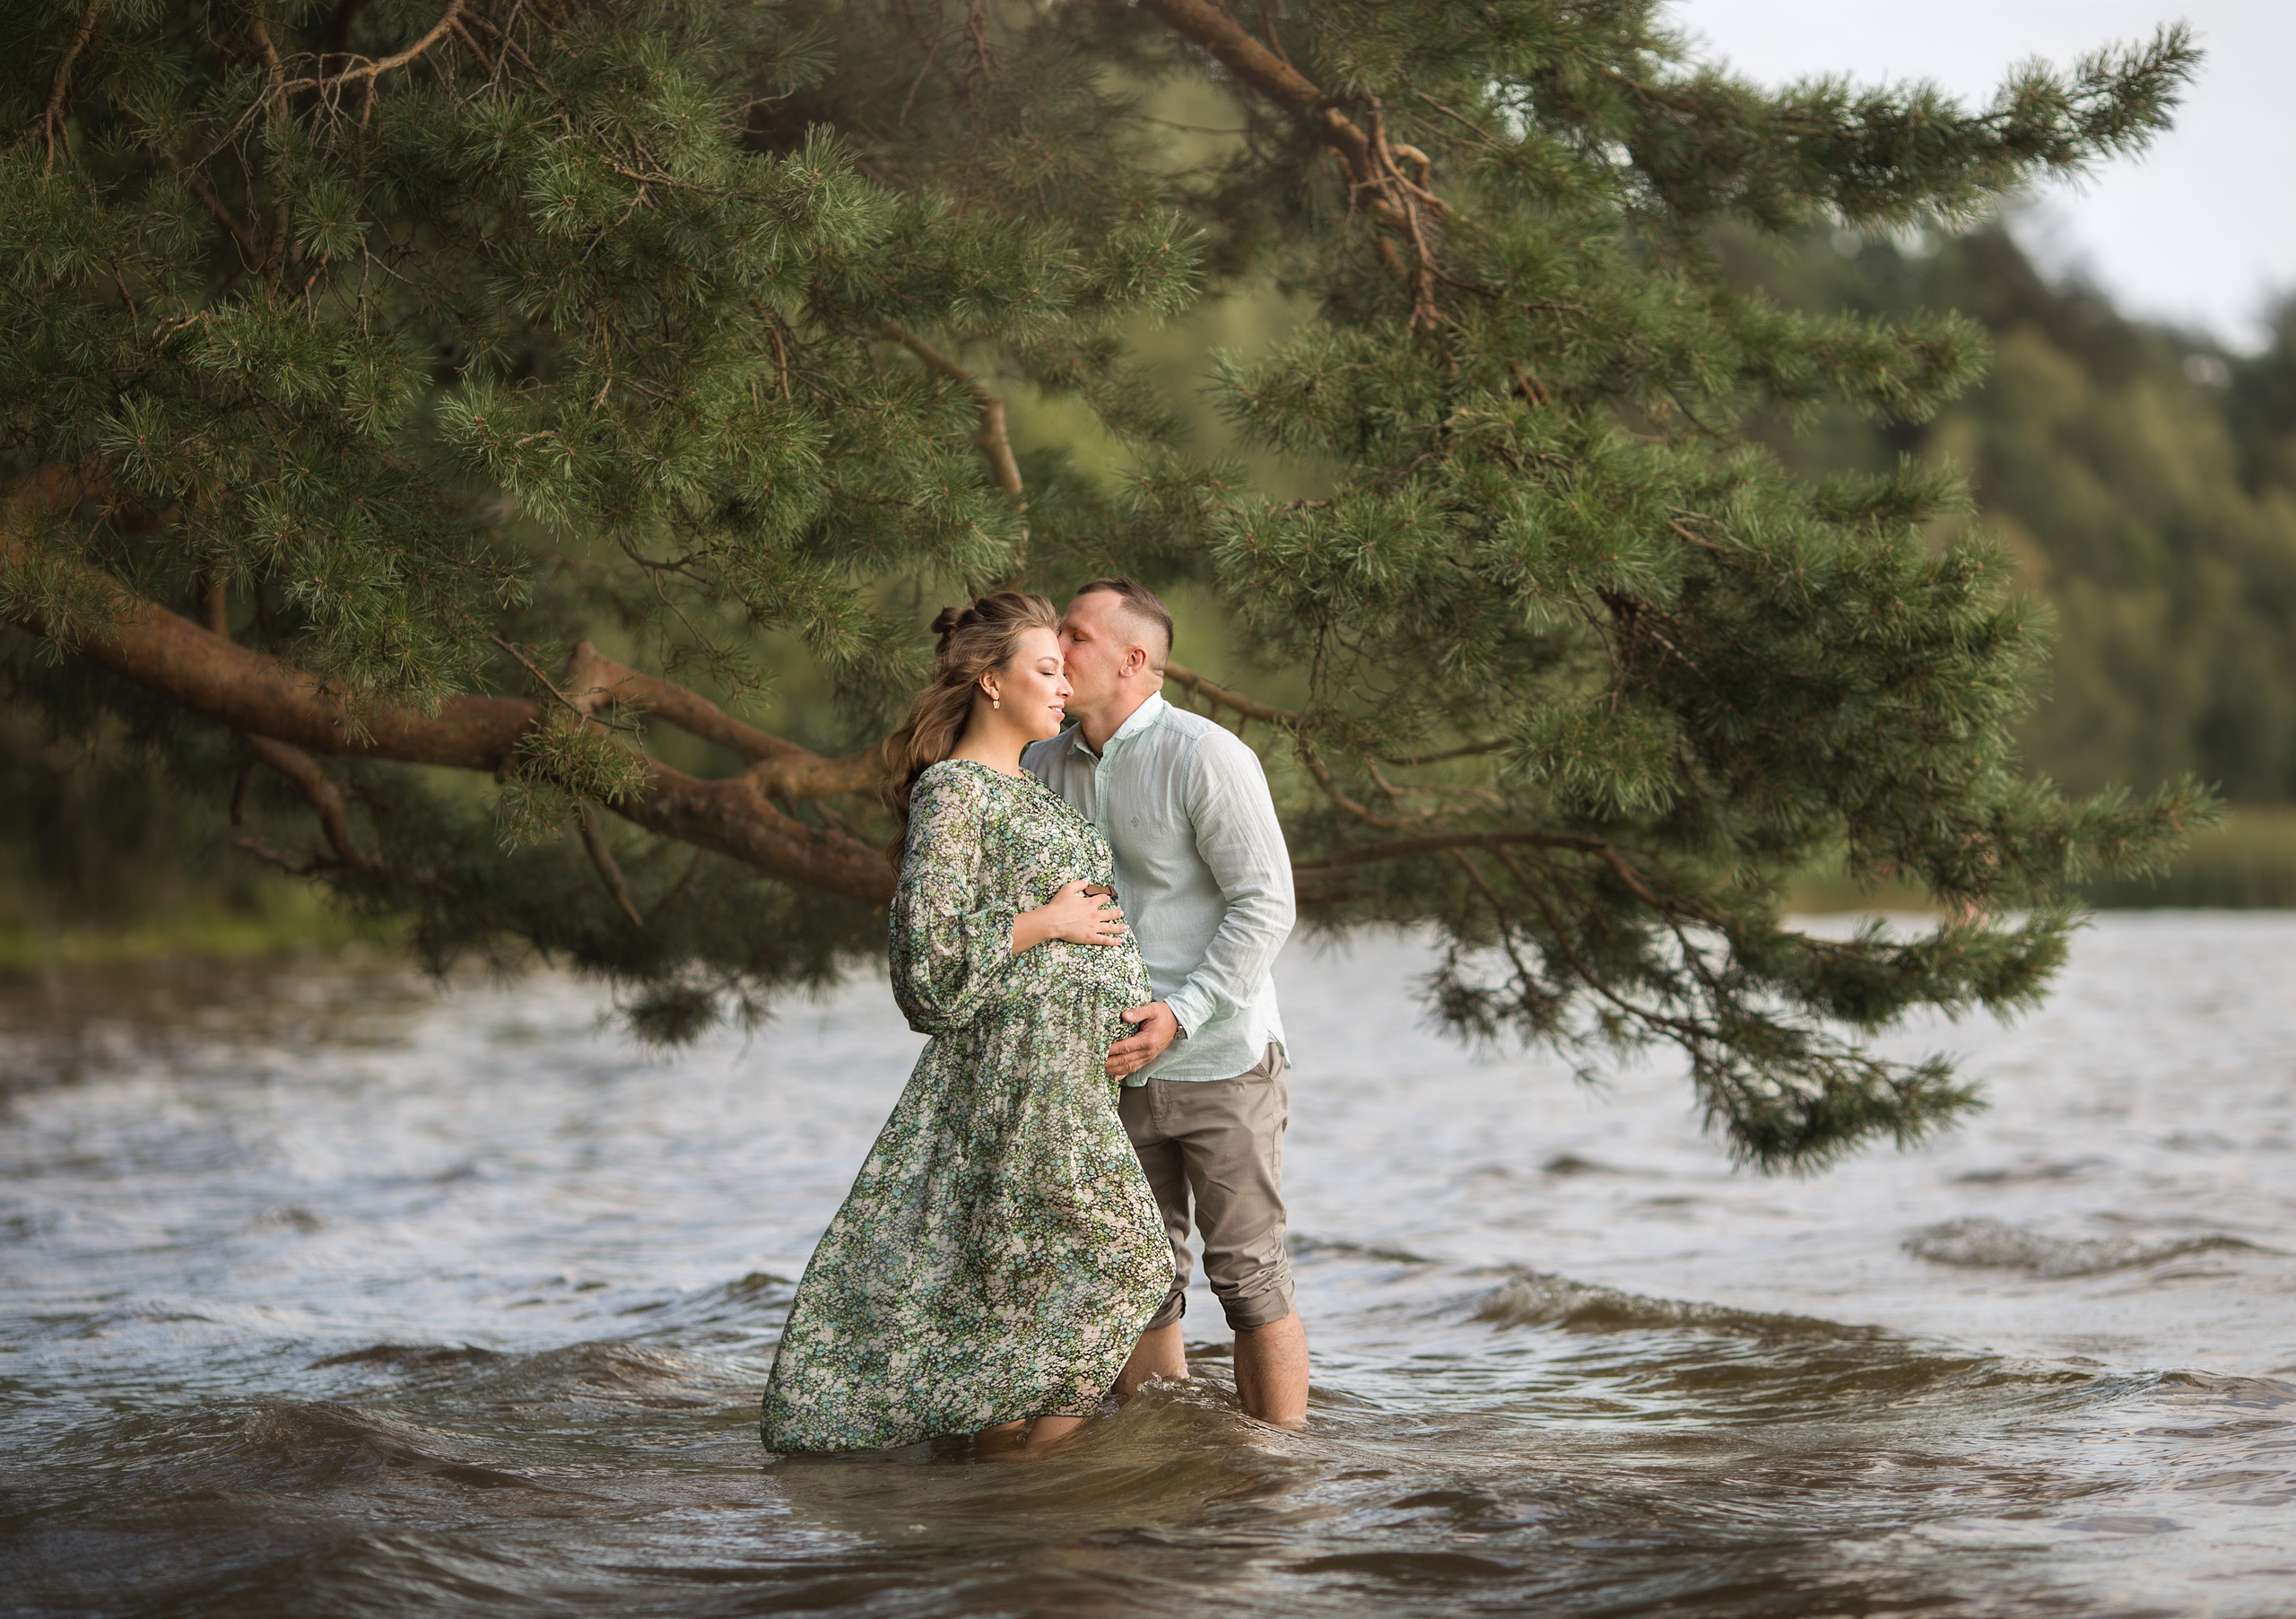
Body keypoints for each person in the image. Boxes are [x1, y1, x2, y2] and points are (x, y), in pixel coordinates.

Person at [759, 592, 1170, 1459]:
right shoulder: (955, 791)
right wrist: (1047, 923)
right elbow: (926, 965)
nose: (1064, 686)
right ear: (991, 682)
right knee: (1131, 1263)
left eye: (1066, 667)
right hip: (1012, 1084)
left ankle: (996, 1496)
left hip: (1066, 1081)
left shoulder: (1034, 786)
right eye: (1045, 669)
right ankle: (1029, 1484)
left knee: (1022, 1286)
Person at [1022, 579, 1309, 1427]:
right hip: (1105, 1069)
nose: (1056, 647)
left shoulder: (1207, 755)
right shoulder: (1040, 764)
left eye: (1074, 635)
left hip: (1221, 1059)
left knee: (1249, 1276)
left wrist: (1180, 1012)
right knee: (1140, 1280)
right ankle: (1163, 1465)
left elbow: (1267, 904)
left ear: (1132, 659)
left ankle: (1279, 1476)